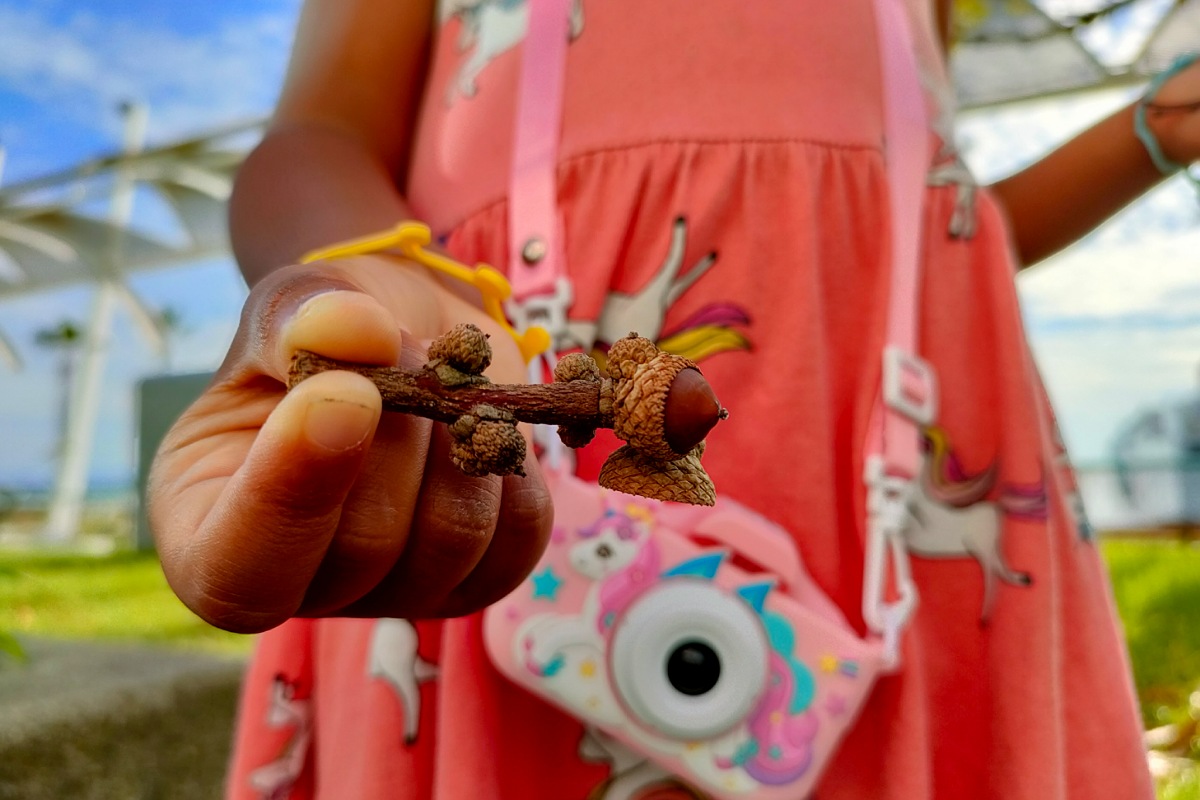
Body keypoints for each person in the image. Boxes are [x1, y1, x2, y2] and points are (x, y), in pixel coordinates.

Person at [146, 0, 1200, 797]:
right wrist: (377, 278)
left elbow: (935, 223)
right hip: (499, 427)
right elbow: (318, 129)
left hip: (884, 454)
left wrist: (1152, 131)